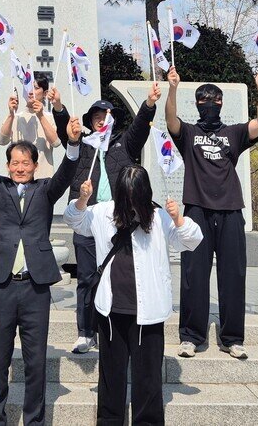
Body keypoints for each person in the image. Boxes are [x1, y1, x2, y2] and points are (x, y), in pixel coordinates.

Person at [0, 109, 82, 426]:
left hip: (35, 289)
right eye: (15, 163)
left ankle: (34, 421)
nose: (20, 168)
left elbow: (67, 172)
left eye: (25, 163)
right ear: (8, 166)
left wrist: (72, 143)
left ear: (35, 165)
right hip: (2, 287)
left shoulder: (45, 191)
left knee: (35, 362)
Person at [64, 165, 203, 425]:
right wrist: (82, 199)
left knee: (148, 378)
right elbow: (74, 220)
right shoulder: (104, 211)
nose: (130, 204)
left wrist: (178, 218)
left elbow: (191, 240)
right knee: (110, 377)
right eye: (125, 197)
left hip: (148, 313)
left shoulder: (159, 217)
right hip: (110, 310)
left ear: (144, 195)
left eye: (135, 198)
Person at [166, 65, 258, 360]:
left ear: (221, 103)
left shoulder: (233, 133)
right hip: (196, 211)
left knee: (233, 275)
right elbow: (170, 119)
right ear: (197, 104)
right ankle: (191, 337)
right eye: (203, 100)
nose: (209, 104)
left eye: (214, 99)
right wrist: (172, 88)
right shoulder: (189, 133)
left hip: (231, 211)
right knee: (193, 275)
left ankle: (232, 338)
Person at [50, 83, 160, 353]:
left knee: (118, 277)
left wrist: (149, 104)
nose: (102, 121)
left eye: (106, 116)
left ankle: (114, 330)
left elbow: (140, 126)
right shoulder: (83, 146)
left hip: (120, 223)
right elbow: (67, 132)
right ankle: (86, 332)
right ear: (91, 121)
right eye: (97, 117)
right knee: (87, 278)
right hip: (88, 219)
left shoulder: (125, 145)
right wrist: (58, 108)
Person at [0, 78, 60, 179]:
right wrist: (11, 114)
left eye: (35, 88)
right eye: (28, 87)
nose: (30, 92)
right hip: (18, 180)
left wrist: (40, 116)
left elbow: (56, 143)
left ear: (45, 93)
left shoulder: (49, 117)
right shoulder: (16, 117)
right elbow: (2, 141)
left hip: (43, 180)